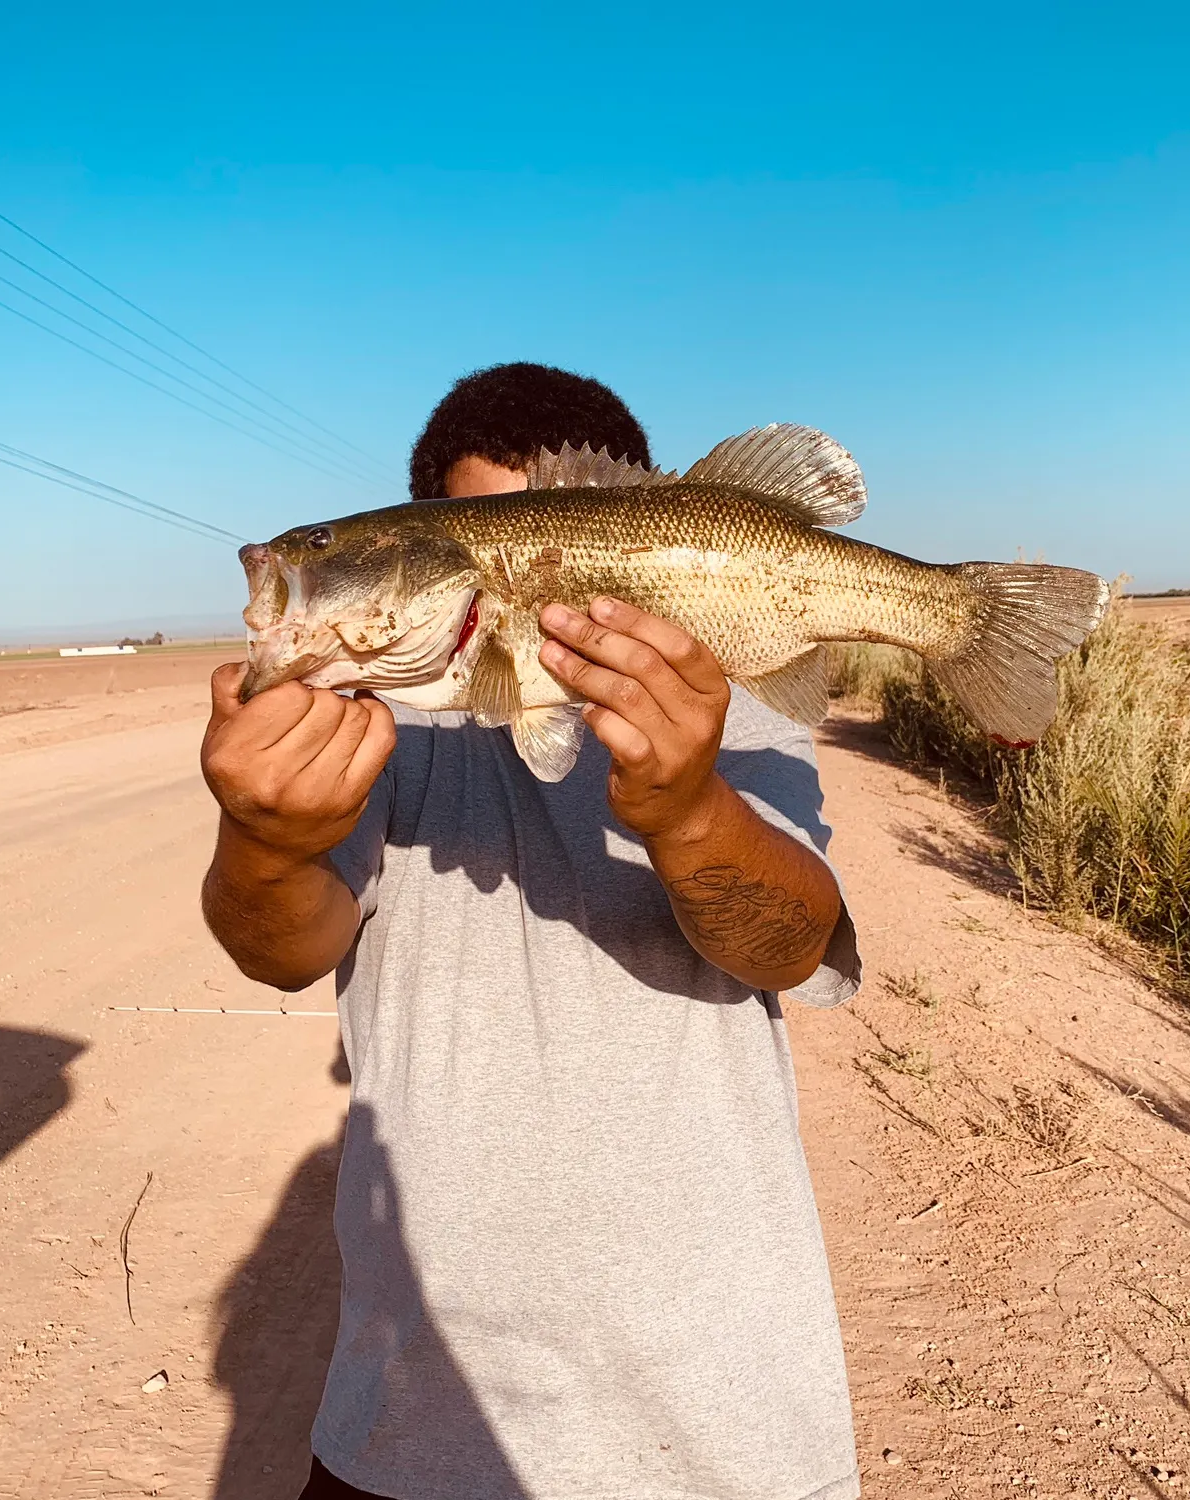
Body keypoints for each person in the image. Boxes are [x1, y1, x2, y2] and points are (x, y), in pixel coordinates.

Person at [201, 362, 863, 1500]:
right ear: (438, 543)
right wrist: (260, 842)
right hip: (420, 1410)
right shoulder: (374, 720)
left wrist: (691, 807)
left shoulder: (732, 698)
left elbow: (792, 949)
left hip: (728, 1408)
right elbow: (283, 948)